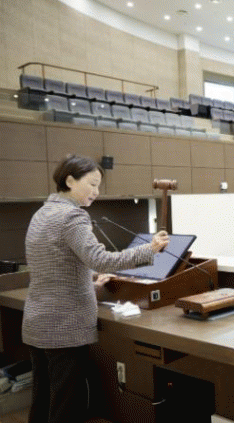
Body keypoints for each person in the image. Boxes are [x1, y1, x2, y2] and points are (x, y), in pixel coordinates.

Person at [23, 155, 170, 423]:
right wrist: (149, 249)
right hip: (65, 327)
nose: (96, 191)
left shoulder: (42, 212)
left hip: (38, 322)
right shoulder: (72, 216)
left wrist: (88, 280)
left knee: (43, 400)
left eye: (99, 186)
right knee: (67, 405)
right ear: (70, 181)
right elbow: (101, 259)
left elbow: (54, 263)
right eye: (92, 184)